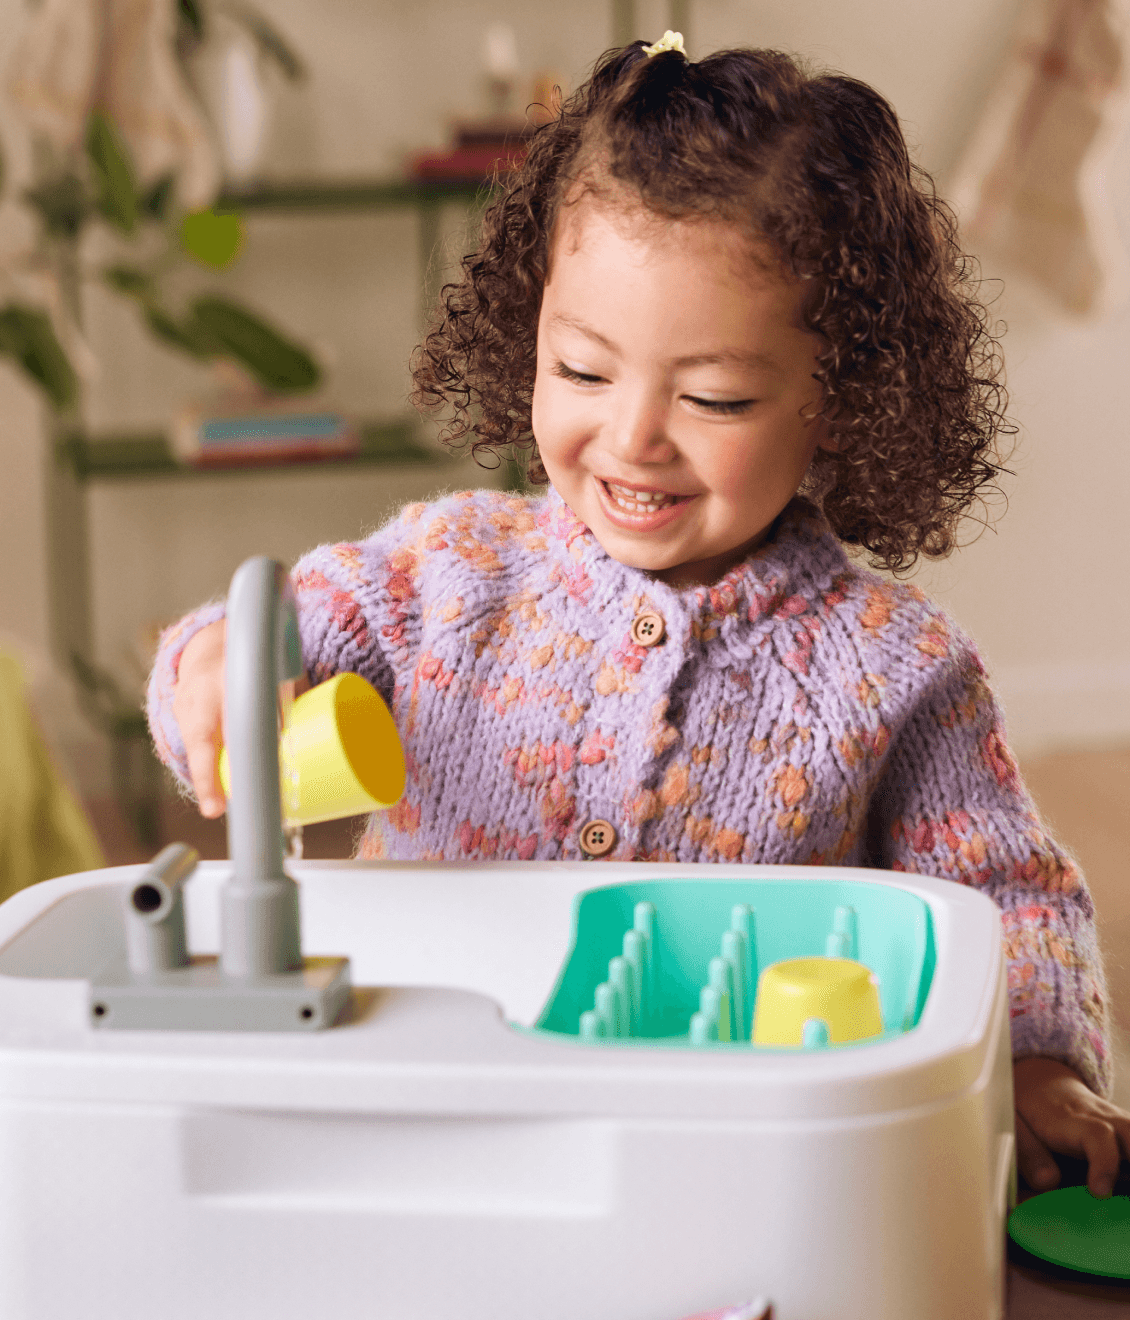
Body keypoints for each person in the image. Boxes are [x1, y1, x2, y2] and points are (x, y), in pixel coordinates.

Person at [147, 37, 1129, 1197]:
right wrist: (217, 671)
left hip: (732, 1154)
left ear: (837, 398)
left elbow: (1002, 895)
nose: (631, 437)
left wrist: (1031, 1062)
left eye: (712, 396)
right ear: (530, 333)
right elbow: (269, 636)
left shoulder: (893, 668)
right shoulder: (447, 572)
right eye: (580, 370)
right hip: (432, 1122)